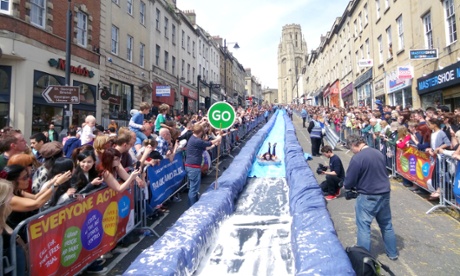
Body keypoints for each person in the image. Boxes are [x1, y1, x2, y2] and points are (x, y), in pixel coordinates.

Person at [343, 134, 399, 261]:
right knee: (386, 224)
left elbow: (349, 181)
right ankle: (393, 253)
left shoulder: (358, 158)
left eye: (351, 148)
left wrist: (348, 187)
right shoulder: (378, 153)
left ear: (354, 144)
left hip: (368, 194)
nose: (352, 151)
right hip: (384, 192)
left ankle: (364, 258)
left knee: (363, 226)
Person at [184, 124, 222, 206]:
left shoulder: (193, 139)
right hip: (193, 167)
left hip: (191, 166)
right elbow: (208, 143)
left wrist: (215, 145)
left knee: (194, 188)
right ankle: (192, 206)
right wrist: (217, 139)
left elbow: (205, 147)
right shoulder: (196, 140)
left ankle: (193, 203)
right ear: (200, 132)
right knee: (194, 188)